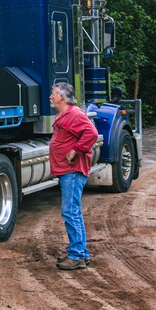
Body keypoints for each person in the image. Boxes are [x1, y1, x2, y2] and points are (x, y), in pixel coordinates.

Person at [48, 82, 97, 269]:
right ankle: (81, 254)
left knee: (70, 211)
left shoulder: (74, 114)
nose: (51, 97)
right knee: (72, 211)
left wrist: (75, 150)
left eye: (53, 94)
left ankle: (76, 255)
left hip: (73, 171)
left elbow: (91, 133)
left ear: (62, 97)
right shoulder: (63, 115)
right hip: (66, 171)